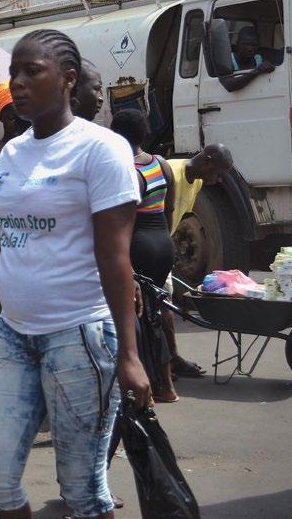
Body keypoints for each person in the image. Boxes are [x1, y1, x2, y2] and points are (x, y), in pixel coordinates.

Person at [0, 29, 150, 519]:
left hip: (80, 336)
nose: (18, 84)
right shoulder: (13, 154)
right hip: (14, 335)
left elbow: (116, 258)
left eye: (32, 71)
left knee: (83, 490)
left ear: (68, 79)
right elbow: (7, 244)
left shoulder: (100, 149)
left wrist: (129, 355)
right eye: (13, 74)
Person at [110, 109, 178, 403]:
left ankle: (147, 391)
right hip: (163, 243)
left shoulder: (129, 171)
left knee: (137, 318)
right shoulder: (161, 164)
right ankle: (166, 386)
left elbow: (121, 221)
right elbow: (170, 209)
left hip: (140, 247)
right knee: (155, 313)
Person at [164, 143, 234, 378]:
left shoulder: (198, 182)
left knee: (164, 308)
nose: (219, 180)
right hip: (146, 250)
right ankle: (157, 364)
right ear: (206, 162)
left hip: (160, 249)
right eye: (218, 173)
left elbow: (177, 220)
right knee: (152, 309)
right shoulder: (170, 173)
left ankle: (169, 359)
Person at [220, 28, 275, 92]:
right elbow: (229, 85)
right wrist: (257, 71)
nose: (250, 49)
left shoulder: (258, 59)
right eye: (246, 44)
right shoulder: (227, 60)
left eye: (254, 45)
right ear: (237, 44)